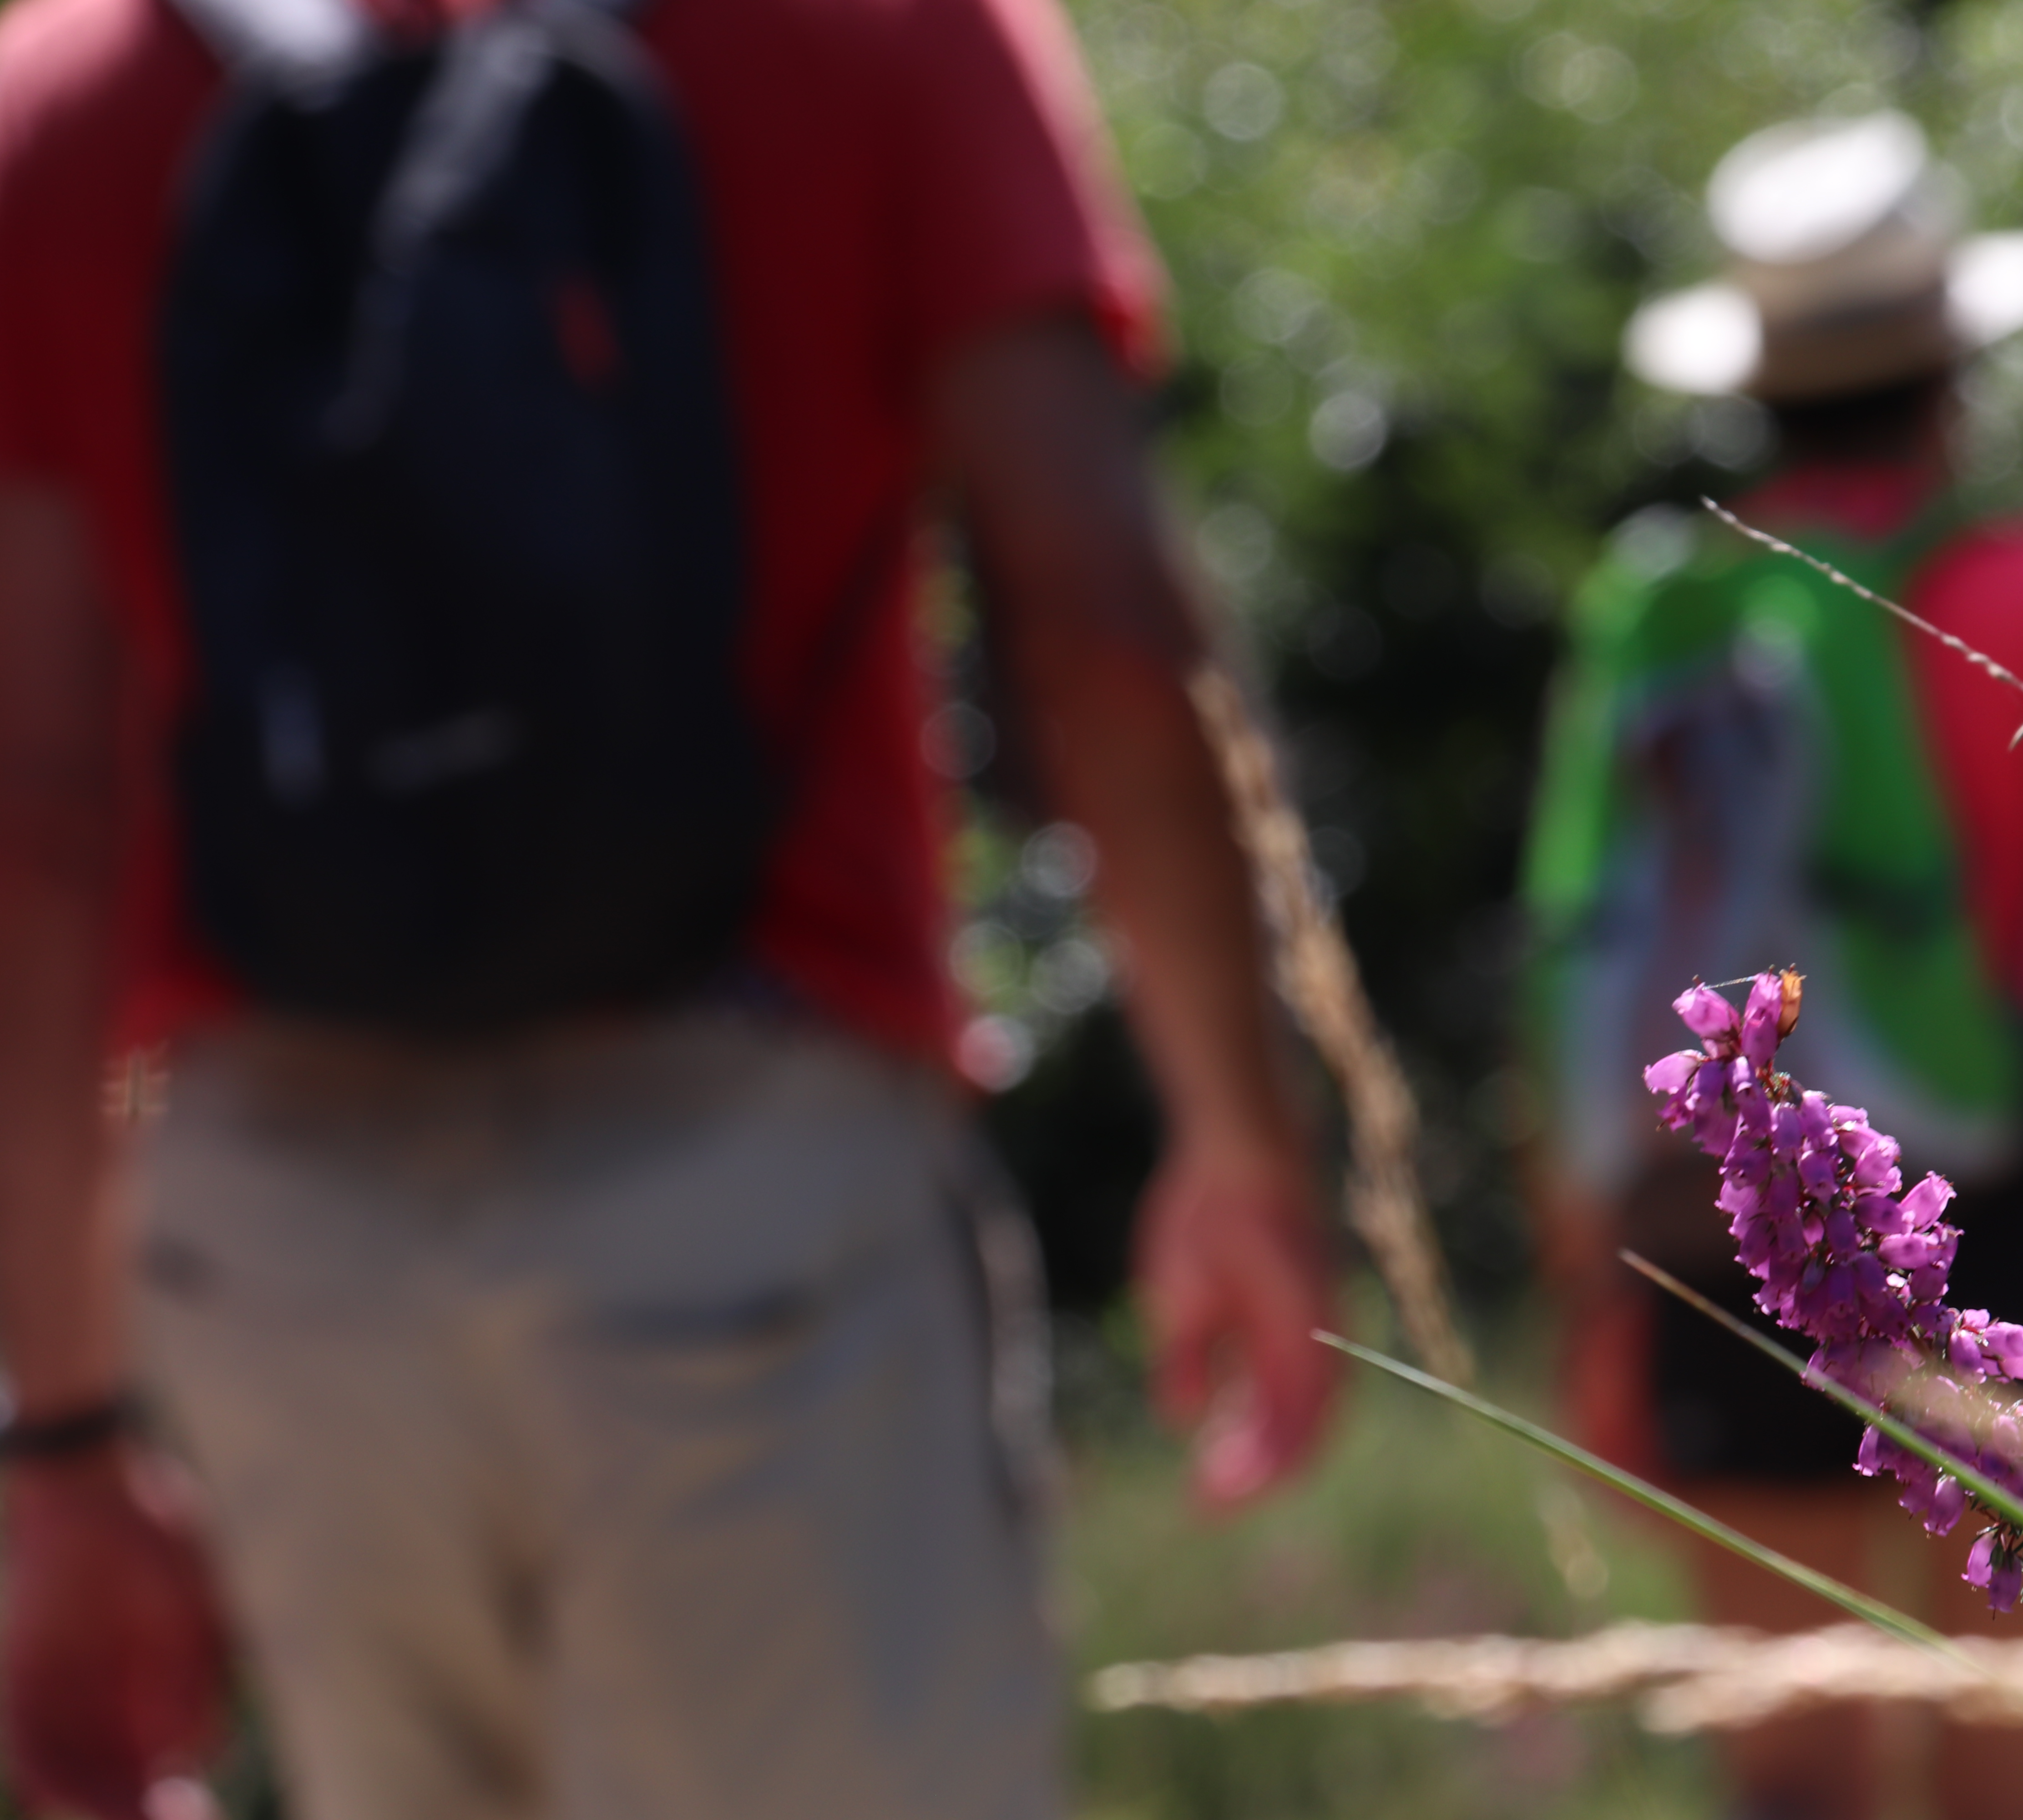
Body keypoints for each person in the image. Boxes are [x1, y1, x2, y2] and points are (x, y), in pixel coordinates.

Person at [0, 0, 1340, 1810]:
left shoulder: (75, 101)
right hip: (748, 1190)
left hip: (286, 1255)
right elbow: (1098, 614)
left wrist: (68, 1429)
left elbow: (43, 813)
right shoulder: (884, 36)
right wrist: (1239, 1135)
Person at [1518, 111, 2023, 1820]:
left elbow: (1579, 946)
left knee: (1790, 1763)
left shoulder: (1659, 608)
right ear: (1956, 357)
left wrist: (1591, 1271)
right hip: (2004, 1219)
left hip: (1720, 1226)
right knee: (2000, 1756)